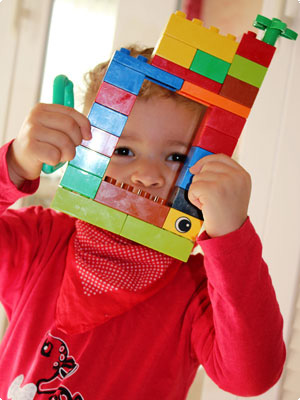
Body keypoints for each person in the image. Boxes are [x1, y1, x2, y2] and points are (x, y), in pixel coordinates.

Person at [0, 46, 285, 400]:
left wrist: (231, 236)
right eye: (122, 150)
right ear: (86, 150)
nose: (147, 175)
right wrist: (13, 164)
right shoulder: (40, 240)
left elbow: (252, 377)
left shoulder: (196, 290)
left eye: (177, 156)